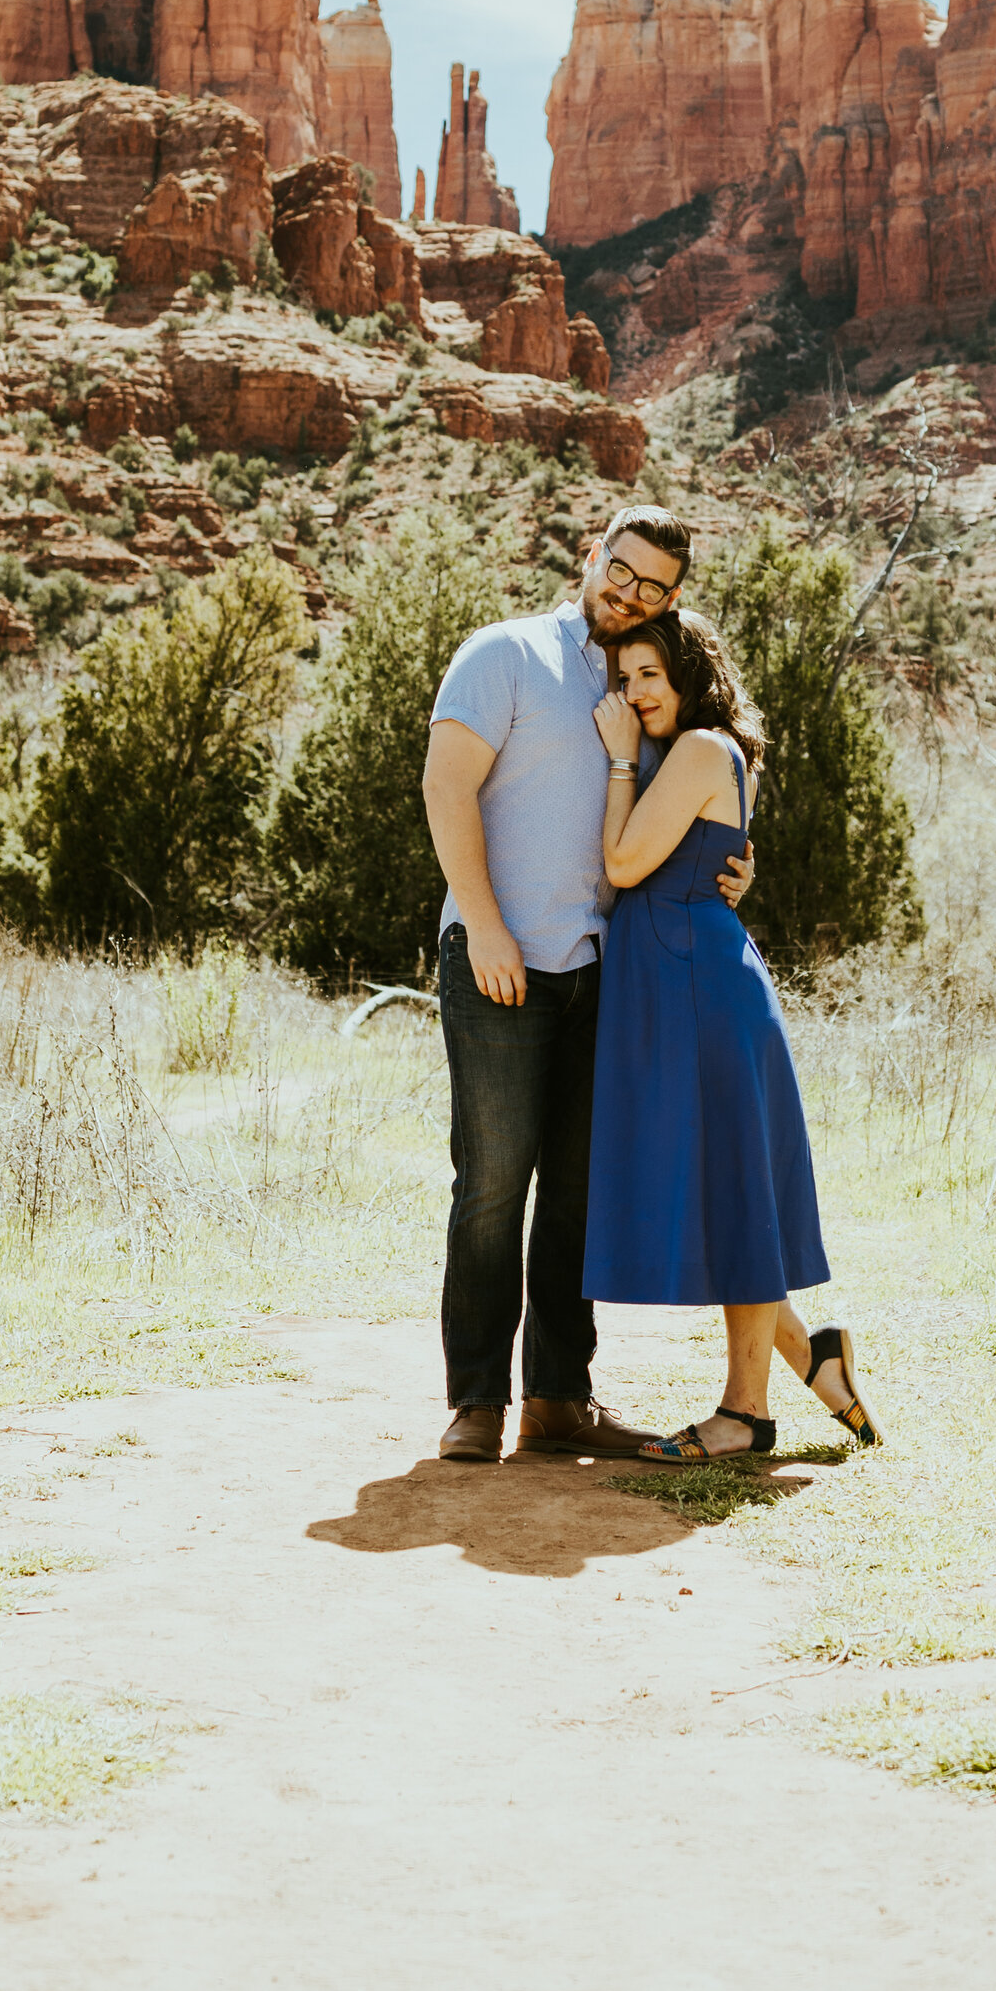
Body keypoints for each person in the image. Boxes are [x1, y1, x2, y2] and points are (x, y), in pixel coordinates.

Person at [420, 505, 753, 1464]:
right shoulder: (506, 654)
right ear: (591, 557)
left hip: (608, 973)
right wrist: (483, 925)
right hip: (499, 962)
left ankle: (560, 1398)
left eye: (654, 586)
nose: (631, 593)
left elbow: (693, 804)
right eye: (622, 571)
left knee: (575, 1191)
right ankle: (477, 1399)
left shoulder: (651, 685)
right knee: (492, 1185)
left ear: (673, 597)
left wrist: (734, 866)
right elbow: (446, 788)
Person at [584, 607, 882, 1463]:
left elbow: (624, 865)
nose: (635, 693)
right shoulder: (688, 754)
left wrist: (613, 762)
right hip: (681, 983)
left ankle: (744, 1416)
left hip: (701, 993)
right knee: (721, 1194)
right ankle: (814, 1358)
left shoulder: (703, 749)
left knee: (738, 1195)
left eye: (651, 675)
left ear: (688, 676)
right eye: (625, 677)